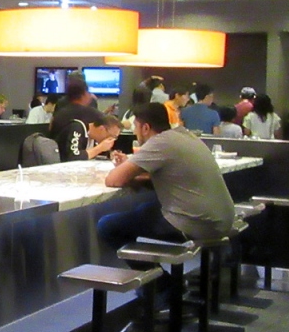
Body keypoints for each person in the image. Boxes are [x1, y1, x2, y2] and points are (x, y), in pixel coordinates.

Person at [97, 103, 236, 259]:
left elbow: (113, 180)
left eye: (136, 127)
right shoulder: (184, 135)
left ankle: (154, 274)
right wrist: (133, 173)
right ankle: (153, 271)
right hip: (221, 220)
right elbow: (169, 176)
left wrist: (127, 171)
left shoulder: (159, 142)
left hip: (197, 224)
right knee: (145, 209)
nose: (135, 132)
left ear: (145, 128)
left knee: (107, 225)